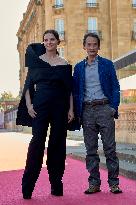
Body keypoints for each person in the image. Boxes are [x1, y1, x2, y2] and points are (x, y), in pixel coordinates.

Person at [16, 29, 74, 199]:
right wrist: (28, 105)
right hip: (40, 107)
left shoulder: (64, 63)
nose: (49, 42)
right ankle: (27, 189)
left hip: (60, 107)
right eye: (46, 40)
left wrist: (70, 109)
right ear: (43, 42)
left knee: (57, 144)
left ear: (58, 42)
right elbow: (28, 86)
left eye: (52, 39)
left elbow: (69, 90)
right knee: (37, 143)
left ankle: (56, 185)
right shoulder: (36, 62)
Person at [73, 32, 122, 194]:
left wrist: (113, 107)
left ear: (98, 46)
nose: (92, 47)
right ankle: (94, 183)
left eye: (95, 44)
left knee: (110, 148)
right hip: (86, 111)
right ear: (84, 46)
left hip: (104, 108)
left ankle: (114, 183)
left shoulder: (107, 64)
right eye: (89, 44)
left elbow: (115, 87)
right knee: (91, 149)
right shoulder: (79, 68)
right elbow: (75, 91)